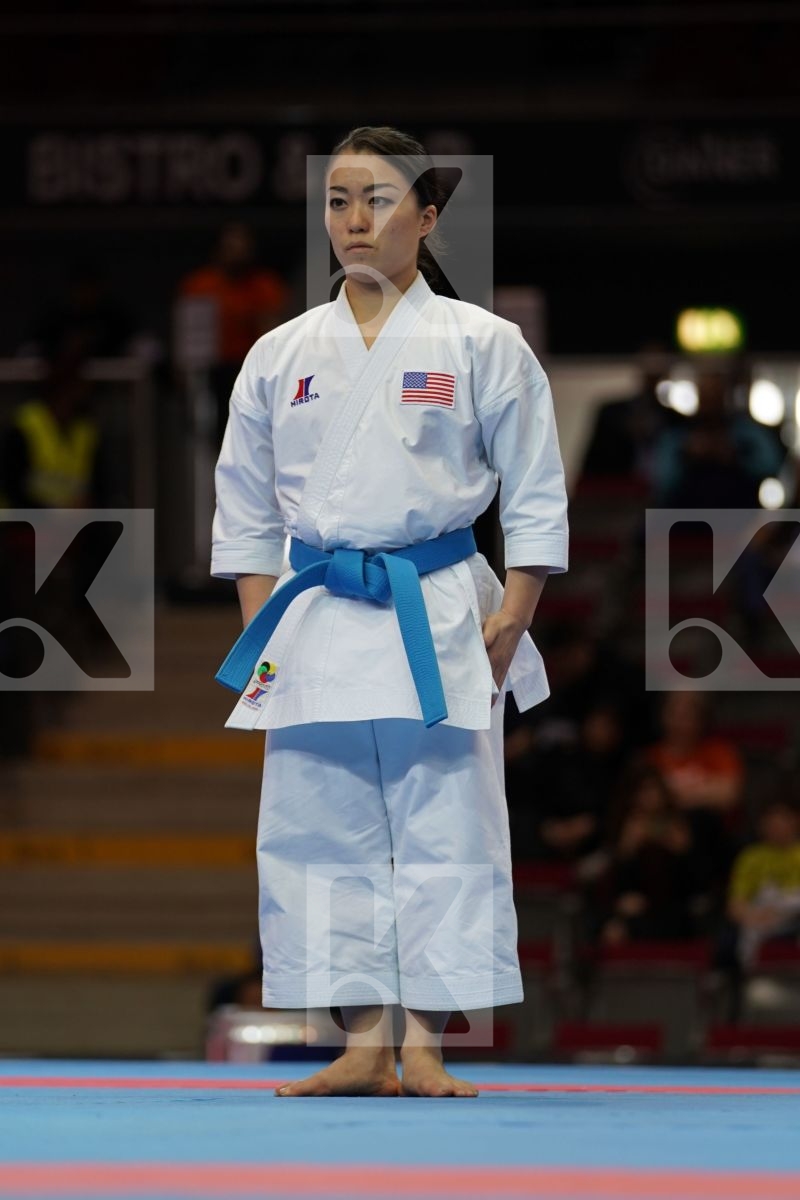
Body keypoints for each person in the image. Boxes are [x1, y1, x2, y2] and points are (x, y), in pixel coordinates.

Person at [210, 126, 569, 1097]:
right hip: (317, 612)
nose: (354, 220)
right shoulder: (280, 354)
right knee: (317, 830)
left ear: (427, 214)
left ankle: (424, 1043)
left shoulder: (481, 344)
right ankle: (364, 1041)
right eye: (336, 201)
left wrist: (515, 615)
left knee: (446, 826)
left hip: (439, 608)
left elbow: (534, 490)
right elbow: (244, 514)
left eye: (376, 198)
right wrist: (266, 630)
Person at [177, 222, 292, 448]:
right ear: (219, 250)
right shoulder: (200, 284)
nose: (237, 254)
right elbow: (187, 337)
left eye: (243, 248)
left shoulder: (265, 285)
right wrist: (184, 376)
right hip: (211, 372)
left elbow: (274, 333)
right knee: (212, 436)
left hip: (252, 369)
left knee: (256, 437)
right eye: (231, 247)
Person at [728, 796, 800, 968]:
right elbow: (735, 905)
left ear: (795, 821)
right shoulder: (751, 857)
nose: (777, 827)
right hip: (763, 917)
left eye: (782, 820)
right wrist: (754, 916)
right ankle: (749, 980)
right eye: (771, 822)